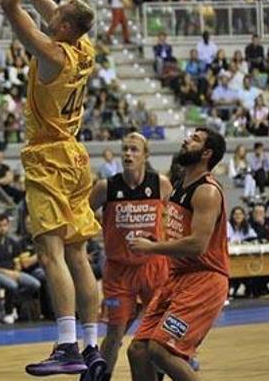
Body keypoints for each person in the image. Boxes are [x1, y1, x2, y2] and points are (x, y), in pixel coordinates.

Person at [0, 0, 104, 375]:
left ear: (61, 28)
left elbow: (10, 4)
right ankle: (90, 344)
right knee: (79, 253)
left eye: (56, 14)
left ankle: (64, 345)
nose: (51, 9)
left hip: (48, 157)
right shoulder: (83, 47)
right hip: (77, 156)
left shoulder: (51, 52)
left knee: (51, 252)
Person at [127, 128, 229, 381]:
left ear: (206, 153)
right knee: (138, 350)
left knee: (162, 351)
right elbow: (181, 235)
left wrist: (153, 248)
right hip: (177, 278)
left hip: (204, 279)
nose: (186, 140)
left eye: (195, 139)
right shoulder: (179, 186)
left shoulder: (207, 191)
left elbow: (197, 245)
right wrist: (159, 241)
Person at [88, 133, 172, 380]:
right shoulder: (106, 187)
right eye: (124, 149)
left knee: (157, 329)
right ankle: (102, 377)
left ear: (145, 155)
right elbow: (83, 213)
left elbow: (175, 214)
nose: (128, 154)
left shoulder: (161, 184)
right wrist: (100, 231)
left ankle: (156, 376)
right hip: (118, 271)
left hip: (153, 267)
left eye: (134, 150)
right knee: (115, 331)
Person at [0, 213, 41, 324]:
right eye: (0, 226)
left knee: (35, 284)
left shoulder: (12, 243)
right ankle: (8, 311)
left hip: (12, 272)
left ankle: (10, 301)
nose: (3, 228)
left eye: (5, 225)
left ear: (8, 226)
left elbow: (17, 262)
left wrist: (17, 271)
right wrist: (7, 272)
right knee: (12, 285)